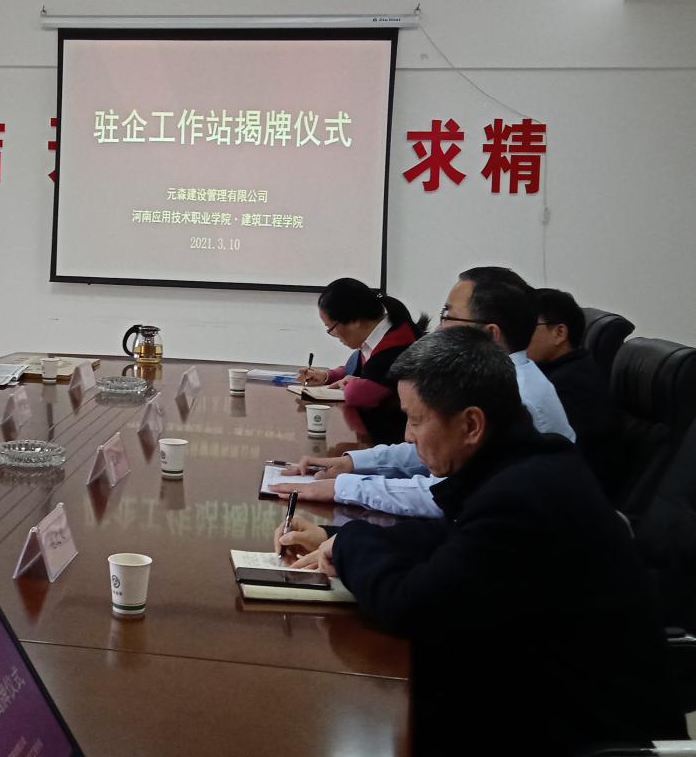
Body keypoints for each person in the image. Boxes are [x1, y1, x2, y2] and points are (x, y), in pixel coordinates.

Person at [275, 327, 681, 756]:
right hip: (533, 691)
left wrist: (350, 544)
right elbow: (451, 538)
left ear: (471, 424)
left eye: (416, 420)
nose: (408, 436)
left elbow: (413, 606)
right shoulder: (523, 463)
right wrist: (333, 536)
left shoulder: (523, 495)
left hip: (574, 731)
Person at [271, 267, 574, 516]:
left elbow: (442, 495)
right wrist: (352, 463)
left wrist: (344, 487)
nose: (439, 328)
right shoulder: (496, 379)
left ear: (490, 334)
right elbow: (431, 447)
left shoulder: (517, 396)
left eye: (448, 316)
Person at [296, 278, 429, 444]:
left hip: (399, 442)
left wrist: (350, 383)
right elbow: (359, 369)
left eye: (331, 328)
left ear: (355, 321)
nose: (334, 335)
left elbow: (357, 395)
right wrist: (327, 376)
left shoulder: (397, 344)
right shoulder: (380, 334)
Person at [529, 286, 623, 496]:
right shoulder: (556, 369)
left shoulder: (571, 384)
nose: (518, 334)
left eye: (527, 326)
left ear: (559, 333)